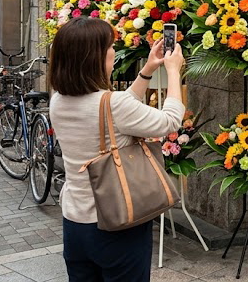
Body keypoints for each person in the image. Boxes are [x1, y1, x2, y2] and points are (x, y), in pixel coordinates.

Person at [49, 17, 185, 280]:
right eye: (109, 46)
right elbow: (169, 122)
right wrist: (173, 72)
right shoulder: (113, 104)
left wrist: (146, 71)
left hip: (75, 222)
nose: (113, 51)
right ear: (94, 57)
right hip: (117, 221)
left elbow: (115, 110)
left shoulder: (58, 101)